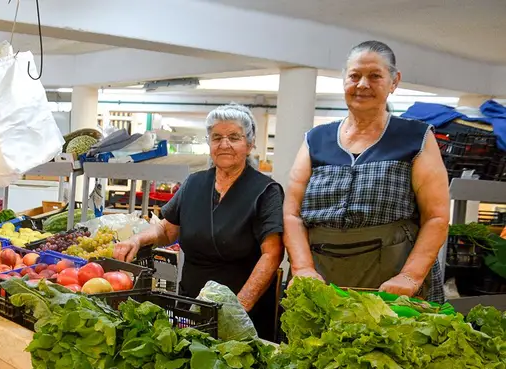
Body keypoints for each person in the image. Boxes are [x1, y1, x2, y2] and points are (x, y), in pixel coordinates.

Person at [283, 40, 450, 302]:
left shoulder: (415, 137)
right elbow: (292, 213)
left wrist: (411, 276)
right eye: (355, 76)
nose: (362, 84)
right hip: (321, 277)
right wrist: (302, 267)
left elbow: (436, 217)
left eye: (375, 76)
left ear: (394, 82)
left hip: (391, 280)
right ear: (344, 81)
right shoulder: (315, 139)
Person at [114, 104, 285, 340]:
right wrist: (137, 239)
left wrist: (239, 307)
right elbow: (167, 230)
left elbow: (272, 254)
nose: (224, 144)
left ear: (250, 144)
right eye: (217, 137)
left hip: (244, 312)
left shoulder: (266, 191)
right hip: (191, 306)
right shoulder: (194, 183)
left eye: (234, 137)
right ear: (209, 143)